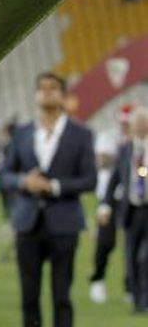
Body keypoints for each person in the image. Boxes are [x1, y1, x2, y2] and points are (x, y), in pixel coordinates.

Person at [1, 72, 97, 327]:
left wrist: (53, 186)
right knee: (29, 296)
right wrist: (24, 181)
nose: (46, 92)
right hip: (27, 223)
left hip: (65, 222)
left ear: (63, 95)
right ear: (36, 94)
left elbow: (90, 180)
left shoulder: (81, 133)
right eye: (42, 88)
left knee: (62, 295)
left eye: (53, 88)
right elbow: (5, 175)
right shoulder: (22, 132)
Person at [99, 107, 148, 313]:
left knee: (145, 257)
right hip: (131, 211)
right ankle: (137, 301)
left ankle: (145, 299)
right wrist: (105, 204)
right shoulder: (126, 149)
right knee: (131, 256)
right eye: (137, 123)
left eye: (144, 123)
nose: (141, 127)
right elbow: (114, 179)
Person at [89, 104, 133, 303]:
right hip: (108, 197)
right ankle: (98, 279)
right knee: (106, 242)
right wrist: (127, 154)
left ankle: (132, 286)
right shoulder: (108, 137)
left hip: (132, 198)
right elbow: (103, 160)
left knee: (133, 244)